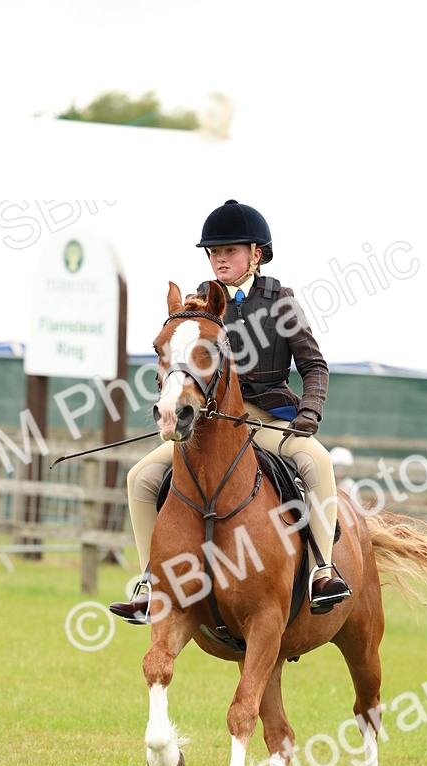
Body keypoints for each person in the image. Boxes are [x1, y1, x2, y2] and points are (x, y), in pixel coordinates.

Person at [110, 198, 351, 623]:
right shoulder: (198, 305)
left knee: (319, 462)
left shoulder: (281, 302)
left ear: (256, 255)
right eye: (214, 252)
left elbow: (313, 365)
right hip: (212, 425)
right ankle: (151, 582)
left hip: (271, 419)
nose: (219, 259)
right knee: (141, 476)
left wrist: (309, 412)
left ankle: (322, 571)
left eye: (230, 251)